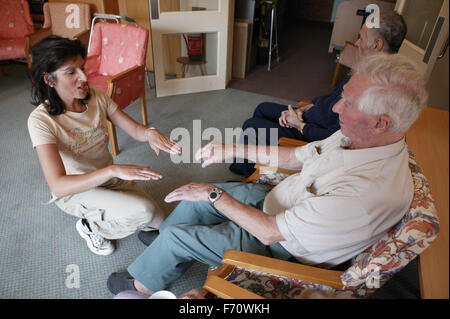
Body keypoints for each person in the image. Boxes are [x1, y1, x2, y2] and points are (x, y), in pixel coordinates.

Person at [107, 53, 427, 294]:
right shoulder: (355, 136)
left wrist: (214, 195)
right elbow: (295, 155)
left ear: (381, 122)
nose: (335, 109)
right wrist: (231, 148)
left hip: (279, 246)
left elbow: (270, 233)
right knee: (194, 199)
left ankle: (140, 285)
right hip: (279, 200)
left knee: (193, 214)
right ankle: (161, 251)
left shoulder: (363, 195)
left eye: (350, 103)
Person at [27, 36, 181, 256]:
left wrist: (151, 133)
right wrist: (114, 169)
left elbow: (136, 130)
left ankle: (114, 213)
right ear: (49, 80)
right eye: (71, 73)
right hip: (76, 189)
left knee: (157, 218)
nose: (83, 78)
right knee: (144, 211)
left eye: (82, 68)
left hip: (107, 178)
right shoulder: (40, 120)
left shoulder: (97, 98)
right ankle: (89, 226)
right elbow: (58, 186)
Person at [230, 11, 408, 177]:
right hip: (310, 116)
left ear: (377, 45)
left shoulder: (375, 89)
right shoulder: (367, 69)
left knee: (252, 126)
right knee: (262, 109)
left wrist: (298, 124)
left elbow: (335, 137)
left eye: (361, 38)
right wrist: (304, 108)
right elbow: (331, 99)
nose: (358, 43)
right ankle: (246, 165)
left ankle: (247, 175)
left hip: (311, 134)